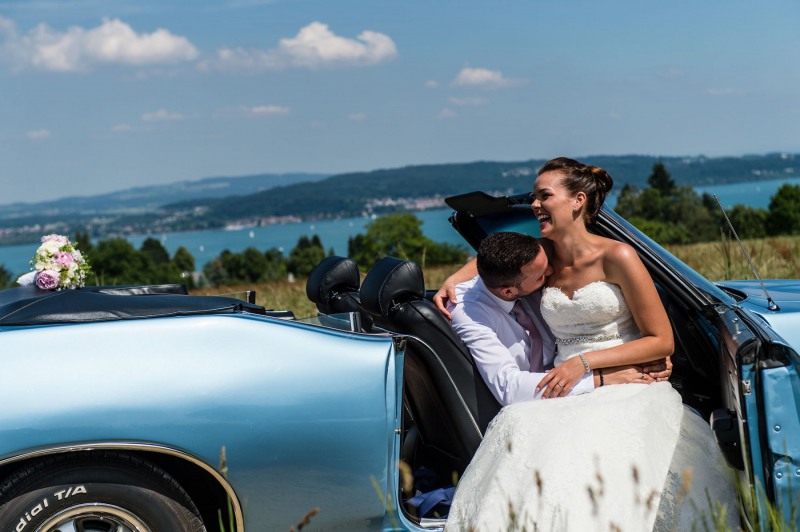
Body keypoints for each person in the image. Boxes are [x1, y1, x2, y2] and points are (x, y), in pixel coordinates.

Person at [439, 157, 737, 531]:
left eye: (543, 195)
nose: (534, 204)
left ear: (578, 200)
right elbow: (496, 260)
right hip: (564, 384)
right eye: (534, 196)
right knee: (523, 429)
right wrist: (456, 278)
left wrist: (586, 364)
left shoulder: (618, 256)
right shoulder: (539, 257)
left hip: (626, 377)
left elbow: (661, 341)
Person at [447, 231, 659, 406]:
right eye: (540, 276)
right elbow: (508, 388)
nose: (550, 271)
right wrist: (600, 379)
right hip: (534, 401)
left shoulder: (516, 271)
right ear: (508, 293)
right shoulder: (469, 314)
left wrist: (647, 351)